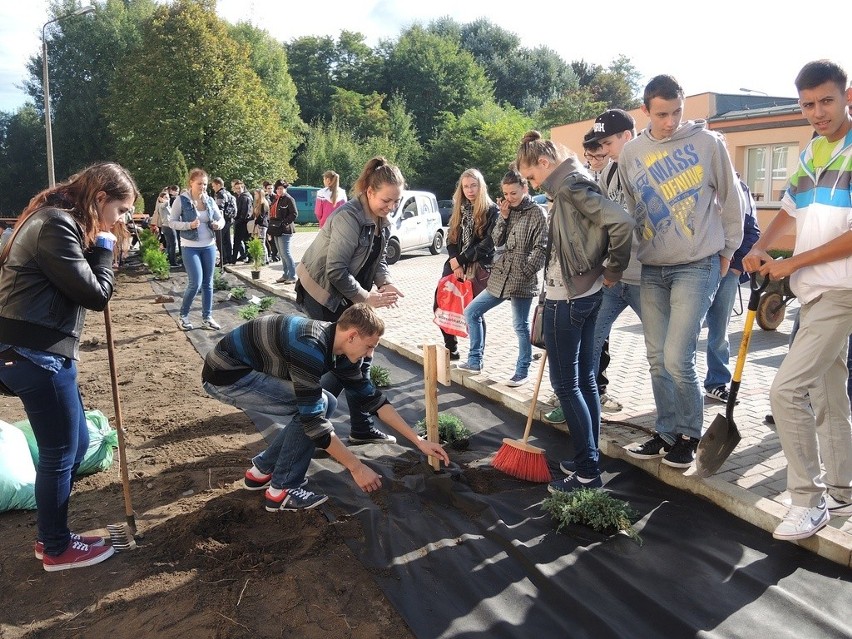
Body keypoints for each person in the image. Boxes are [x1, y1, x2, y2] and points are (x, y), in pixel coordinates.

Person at [0, 162, 139, 571]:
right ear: (99, 199)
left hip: (43, 350)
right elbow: (96, 294)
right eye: (120, 210)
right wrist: (103, 250)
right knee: (61, 451)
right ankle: (56, 547)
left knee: (76, 445)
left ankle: (51, 536)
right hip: (33, 353)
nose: (121, 220)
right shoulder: (56, 225)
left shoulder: (59, 220)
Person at [743, 60, 852, 541]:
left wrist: (794, 263)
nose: (817, 112)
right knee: (828, 393)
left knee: (785, 391)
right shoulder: (812, 153)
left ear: (846, 96)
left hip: (841, 290)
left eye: (826, 101)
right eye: (808, 104)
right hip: (813, 292)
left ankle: (808, 503)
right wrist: (762, 246)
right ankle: (844, 487)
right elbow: (788, 211)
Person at [201, 303, 449, 511]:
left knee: (326, 401)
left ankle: (261, 472)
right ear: (351, 336)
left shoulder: (339, 349)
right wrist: (357, 467)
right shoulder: (309, 346)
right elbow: (313, 423)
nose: (371, 353)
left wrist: (418, 441)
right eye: (370, 346)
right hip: (227, 376)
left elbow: (372, 399)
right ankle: (282, 490)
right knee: (315, 409)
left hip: (247, 367)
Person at [620, 74, 744, 470]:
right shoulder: (631, 152)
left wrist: (727, 251)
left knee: (678, 356)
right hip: (652, 268)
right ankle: (666, 432)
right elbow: (628, 207)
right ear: (645, 111)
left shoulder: (708, 143)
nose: (671, 121)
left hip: (697, 264)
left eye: (676, 112)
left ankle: (690, 435)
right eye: (662, 114)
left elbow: (731, 199)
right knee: (657, 357)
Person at [515, 131, 633, 494]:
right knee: (584, 382)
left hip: (568, 299)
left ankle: (587, 474)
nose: (533, 184)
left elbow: (622, 223)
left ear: (545, 164)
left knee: (566, 386)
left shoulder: (569, 187)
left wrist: (614, 269)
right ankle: (588, 457)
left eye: (532, 177)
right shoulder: (573, 182)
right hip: (583, 293)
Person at [296, 156, 405, 445]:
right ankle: (311, 427)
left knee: (362, 353)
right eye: (386, 200)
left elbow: (378, 261)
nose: (391, 207)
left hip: (348, 292)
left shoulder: (382, 220)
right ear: (369, 191)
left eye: (396, 201)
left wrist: (387, 283)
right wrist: (367, 298)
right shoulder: (348, 217)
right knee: (343, 359)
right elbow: (336, 270)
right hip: (322, 292)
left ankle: (360, 428)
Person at [546, 109, 643, 426]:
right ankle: (583, 405)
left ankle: (673, 429)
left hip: (642, 273)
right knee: (589, 349)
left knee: (663, 356)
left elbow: (621, 223)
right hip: (606, 279)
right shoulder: (598, 178)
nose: (598, 154)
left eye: (604, 145)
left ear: (624, 138)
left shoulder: (636, 167)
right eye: (592, 150)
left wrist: (612, 266)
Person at [462, 169, 547, 385]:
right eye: (506, 194)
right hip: (501, 275)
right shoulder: (506, 211)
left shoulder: (537, 213)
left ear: (525, 189)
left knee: (520, 324)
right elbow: (497, 240)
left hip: (521, 278)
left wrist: (527, 271)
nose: (509, 198)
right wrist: (504, 217)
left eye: (513, 194)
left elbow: (542, 248)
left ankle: (522, 370)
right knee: (472, 311)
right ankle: (475, 360)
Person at [703, 178, 760, 403]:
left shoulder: (737, 186)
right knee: (685, 332)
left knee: (719, 329)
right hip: (693, 268)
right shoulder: (690, 178)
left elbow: (751, 228)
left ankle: (716, 382)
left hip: (727, 269)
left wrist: (736, 267)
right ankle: (680, 388)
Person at [439, 168, 498, 366]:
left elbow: (488, 244)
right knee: (440, 304)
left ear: (481, 186)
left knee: (474, 311)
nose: (470, 190)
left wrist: (461, 260)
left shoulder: (491, 210)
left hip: (479, 266)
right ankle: (451, 347)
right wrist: (455, 261)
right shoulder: (460, 208)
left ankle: (476, 357)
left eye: (473, 185)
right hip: (456, 262)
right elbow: (451, 237)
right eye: (466, 186)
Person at [170, 168, 225, 331]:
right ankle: (183, 316)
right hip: (190, 246)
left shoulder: (209, 200)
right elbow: (172, 222)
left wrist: (218, 225)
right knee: (196, 282)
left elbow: (220, 218)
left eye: (205, 184)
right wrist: (189, 225)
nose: (203, 187)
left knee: (209, 283)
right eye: (199, 183)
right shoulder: (181, 200)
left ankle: (207, 317)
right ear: (191, 183)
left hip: (208, 245)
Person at [270, 180, 298, 284]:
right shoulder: (276, 199)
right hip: (276, 229)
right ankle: (285, 274)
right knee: (281, 253)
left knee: (286, 253)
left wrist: (284, 223)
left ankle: (293, 276)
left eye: (281, 188)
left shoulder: (289, 199)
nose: (279, 190)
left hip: (285, 230)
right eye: (277, 188)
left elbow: (294, 214)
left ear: (285, 189)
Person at [211, 177, 236, 266]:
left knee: (220, 240)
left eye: (214, 186)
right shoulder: (228, 193)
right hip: (229, 220)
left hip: (222, 220)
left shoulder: (220, 194)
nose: (213, 188)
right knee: (227, 240)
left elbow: (219, 209)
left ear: (218, 185)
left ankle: (223, 259)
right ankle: (229, 258)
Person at [150, 189, 178, 267]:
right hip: (168, 226)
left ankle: (169, 260)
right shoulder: (162, 205)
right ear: (161, 198)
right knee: (172, 244)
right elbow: (165, 204)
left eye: (168, 197)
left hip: (166, 226)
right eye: (166, 197)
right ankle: (173, 262)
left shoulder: (166, 205)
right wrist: (170, 198)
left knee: (169, 244)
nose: (168, 198)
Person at [231, 179, 252, 264]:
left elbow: (245, 211)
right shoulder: (237, 196)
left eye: (240, 188)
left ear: (243, 187)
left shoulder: (245, 197)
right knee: (238, 242)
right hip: (239, 221)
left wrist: (238, 220)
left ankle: (247, 257)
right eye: (236, 188)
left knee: (244, 241)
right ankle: (236, 258)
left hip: (244, 222)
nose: (238, 190)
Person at [251, 187, 270, 265]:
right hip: (258, 224)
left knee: (262, 242)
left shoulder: (263, 204)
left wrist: (255, 222)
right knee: (260, 242)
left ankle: (265, 260)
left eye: (256, 194)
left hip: (261, 225)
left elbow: (262, 217)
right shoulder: (258, 203)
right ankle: (264, 259)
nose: (255, 196)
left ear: (260, 194)